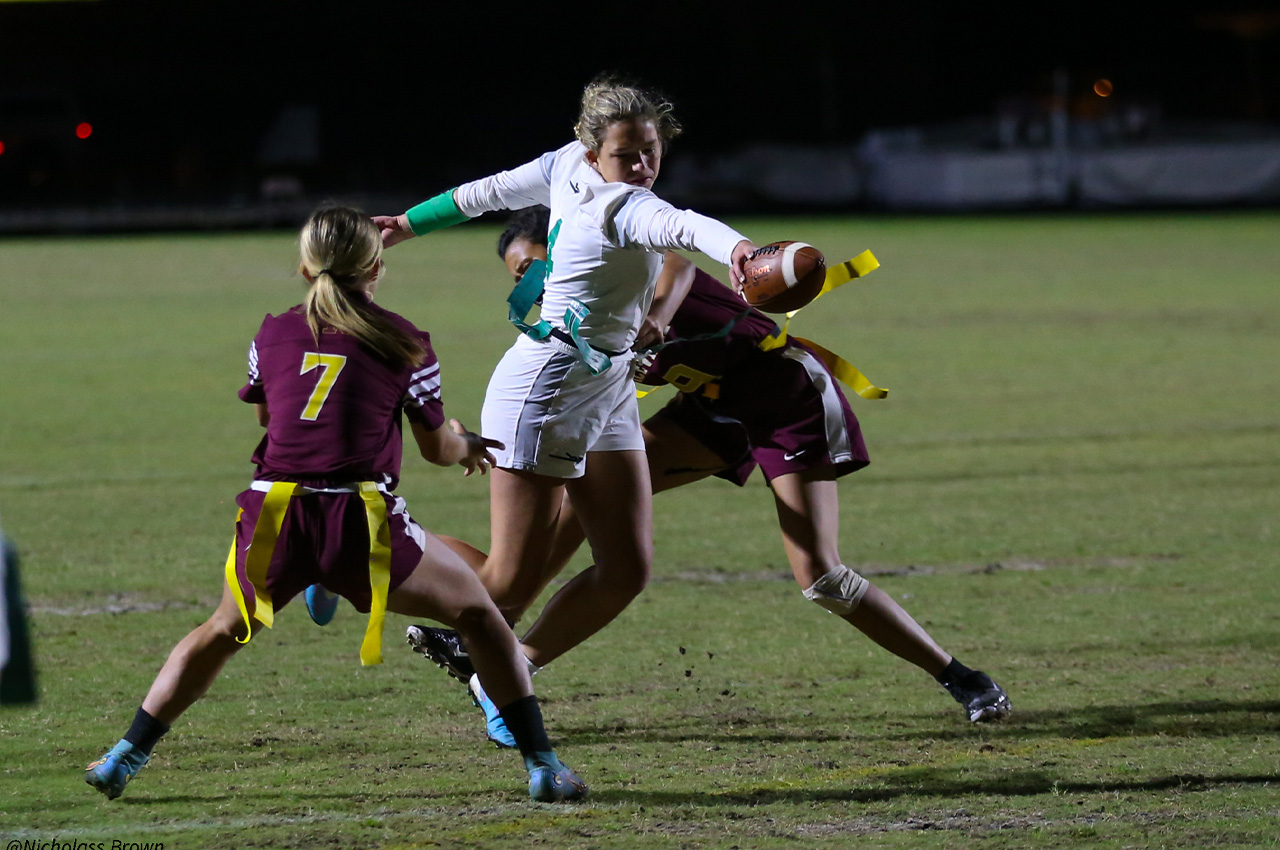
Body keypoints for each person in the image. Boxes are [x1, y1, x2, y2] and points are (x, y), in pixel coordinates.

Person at [404, 206, 1011, 746]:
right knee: (577, 506)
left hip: (785, 403)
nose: (526, 281)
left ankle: (962, 677)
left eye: (531, 263)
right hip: (709, 413)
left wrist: (661, 318)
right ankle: (502, 655)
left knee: (821, 575)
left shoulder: (627, 267)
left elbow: (677, 267)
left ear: (567, 245)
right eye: (515, 275)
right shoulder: (574, 309)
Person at [84, 206, 586, 804]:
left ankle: (124, 756)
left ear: (304, 266)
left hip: (277, 512)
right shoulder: (404, 340)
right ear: (376, 265)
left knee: (222, 629)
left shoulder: (270, 332)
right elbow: (437, 450)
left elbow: (273, 422)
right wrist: (465, 442)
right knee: (480, 617)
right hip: (358, 520)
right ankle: (544, 766)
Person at [365, 77, 755, 718]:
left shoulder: (565, 166)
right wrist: (740, 248)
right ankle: (360, 557)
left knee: (625, 570)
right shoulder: (619, 204)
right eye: (627, 154)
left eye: (652, 150)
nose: (642, 166)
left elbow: (482, 195)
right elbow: (685, 228)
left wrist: (406, 225)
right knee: (505, 582)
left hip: (607, 389)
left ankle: (505, 672)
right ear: (593, 149)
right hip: (544, 391)